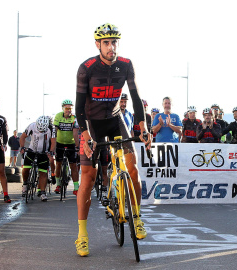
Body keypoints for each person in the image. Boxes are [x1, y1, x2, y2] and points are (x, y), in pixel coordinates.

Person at [75, 23, 152, 256]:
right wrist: (87, 135)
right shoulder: (86, 68)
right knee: (88, 177)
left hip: (116, 120)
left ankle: (136, 217)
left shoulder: (126, 65)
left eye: (114, 42)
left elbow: (136, 97)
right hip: (91, 124)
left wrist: (143, 127)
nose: (111, 47)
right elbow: (78, 106)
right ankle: (82, 234)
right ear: (98, 44)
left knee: (134, 168)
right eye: (106, 42)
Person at [20, 116, 56, 201]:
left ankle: (42, 192)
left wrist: (50, 151)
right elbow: (22, 137)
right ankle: (25, 185)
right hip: (32, 150)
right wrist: (22, 147)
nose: (40, 132)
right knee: (26, 169)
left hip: (44, 152)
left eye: (42, 131)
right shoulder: (31, 126)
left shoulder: (51, 128)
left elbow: (53, 141)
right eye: (39, 130)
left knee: (43, 172)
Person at [53, 100, 80, 195]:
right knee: (58, 164)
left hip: (71, 143)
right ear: (63, 108)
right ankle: (58, 185)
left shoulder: (74, 118)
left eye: (70, 108)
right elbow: (54, 131)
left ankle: (76, 188)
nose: (68, 110)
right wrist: (52, 145)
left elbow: (75, 132)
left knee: (73, 165)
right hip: (59, 143)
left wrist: (77, 146)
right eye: (66, 108)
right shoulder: (58, 116)